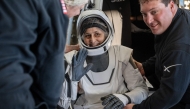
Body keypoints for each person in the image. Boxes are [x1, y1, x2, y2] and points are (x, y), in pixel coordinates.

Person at [0, 0, 87, 109]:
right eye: (80, 8)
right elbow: (8, 70)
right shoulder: (28, 5)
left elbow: (41, 47)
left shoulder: (51, 12)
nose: (78, 13)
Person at [57, 10, 148, 109]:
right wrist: (72, 81)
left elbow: (142, 90)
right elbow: (63, 105)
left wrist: (125, 98)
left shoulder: (121, 55)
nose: (92, 40)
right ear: (81, 38)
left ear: (107, 34)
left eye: (97, 34)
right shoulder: (73, 59)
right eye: (87, 35)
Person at [124, 0, 190, 109]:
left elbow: (170, 94)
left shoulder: (178, 47)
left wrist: (136, 108)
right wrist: (145, 67)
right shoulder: (178, 18)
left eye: (154, 12)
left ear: (172, 6)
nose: (149, 21)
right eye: (144, 14)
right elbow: (166, 53)